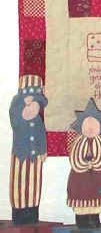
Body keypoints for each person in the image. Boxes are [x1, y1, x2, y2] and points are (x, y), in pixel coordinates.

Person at [9, 75, 48, 225]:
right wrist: (21, 106)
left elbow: (41, 136)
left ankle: (32, 212)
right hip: (19, 157)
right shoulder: (17, 120)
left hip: (35, 158)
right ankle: (19, 213)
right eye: (28, 107)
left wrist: (43, 151)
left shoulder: (38, 121)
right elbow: (14, 119)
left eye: (35, 106)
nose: (32, 110)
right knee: (18, 184)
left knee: (33, 184)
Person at [67, 98, 101, 229]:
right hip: (79, 177)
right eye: (87, 125)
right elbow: (74, 159)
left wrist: (94, 164)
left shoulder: (100, 142)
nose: (90, 128)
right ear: (81, 127)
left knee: (96, 196)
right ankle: (81, 220)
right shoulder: (78, 142)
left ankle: (93, 219)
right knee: (80, 195)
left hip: (97, 176)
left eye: (94, 126)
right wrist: (85, 165)